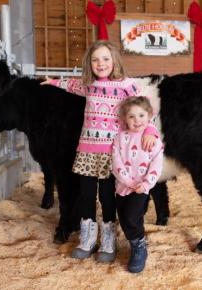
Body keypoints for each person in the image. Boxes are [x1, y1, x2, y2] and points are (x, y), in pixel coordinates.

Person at [44, 40, 158, 263]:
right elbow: (71, 85)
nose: (101, 63)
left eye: (105, 58)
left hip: (112, 153)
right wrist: (53, 82)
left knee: (107, 197)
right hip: (87, 151)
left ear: (114, 60)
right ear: (90, 63)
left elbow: (146, 109)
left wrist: (150, 131)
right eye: (95, 60)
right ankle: (87, 239)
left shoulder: (126, 85)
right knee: (86, 196)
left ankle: (108, 239)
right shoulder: (89, 84)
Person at [112, 97, 163, 273]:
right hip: (123, 186)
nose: (137, 120)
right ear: (125, 119)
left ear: (149, 116)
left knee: (132, 216)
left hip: (142, 187)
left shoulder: (152, 138)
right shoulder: (120, 138)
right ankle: (135, 240)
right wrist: (129, 182)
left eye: (141, 115)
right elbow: (116, 163)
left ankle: (139, 246)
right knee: (125, 218)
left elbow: (157, 163)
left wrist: (146, 183)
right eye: (132, 116)